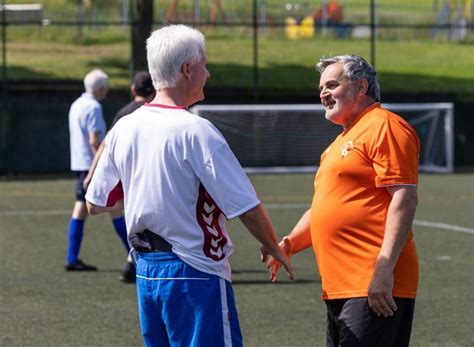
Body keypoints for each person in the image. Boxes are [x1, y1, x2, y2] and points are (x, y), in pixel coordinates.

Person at [85, 24, 294, 346]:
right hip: (194, 272)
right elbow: (245, 206)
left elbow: (95, 203)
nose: (208, 73)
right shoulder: (197, 130)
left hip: (146, 271)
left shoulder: (125, 127)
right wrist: (272, 245)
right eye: (204, 65)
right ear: (187, 69)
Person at [264, 55, 420, 346]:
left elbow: (404, 198)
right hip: (340, 286)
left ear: (361, 86)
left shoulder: (384, 125)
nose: (323, 93)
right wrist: (288, 244)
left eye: (332, 85)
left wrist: (383, 271)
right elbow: (324, 207)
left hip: (372, 281)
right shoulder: (338, 143)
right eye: (321, 87)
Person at [82, 71, 155, 282]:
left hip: (127, 175)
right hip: (152, 176)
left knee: (133, 217)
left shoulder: (125, 113)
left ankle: (133, 265)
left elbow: (105, 145)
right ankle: (135, 264)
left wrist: (91, 173)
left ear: (133, 90)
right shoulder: (159, 112)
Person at [65, 69, 130, 271]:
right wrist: (101, 164)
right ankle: (136, 255)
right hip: (91, 166)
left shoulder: (76, 104)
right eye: (106, 87)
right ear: (101, 88)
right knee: (116, 209)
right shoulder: (93, 107)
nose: (107, 91)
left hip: (79, 164)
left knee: (81, 210)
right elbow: (94, 140)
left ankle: (71, 258)